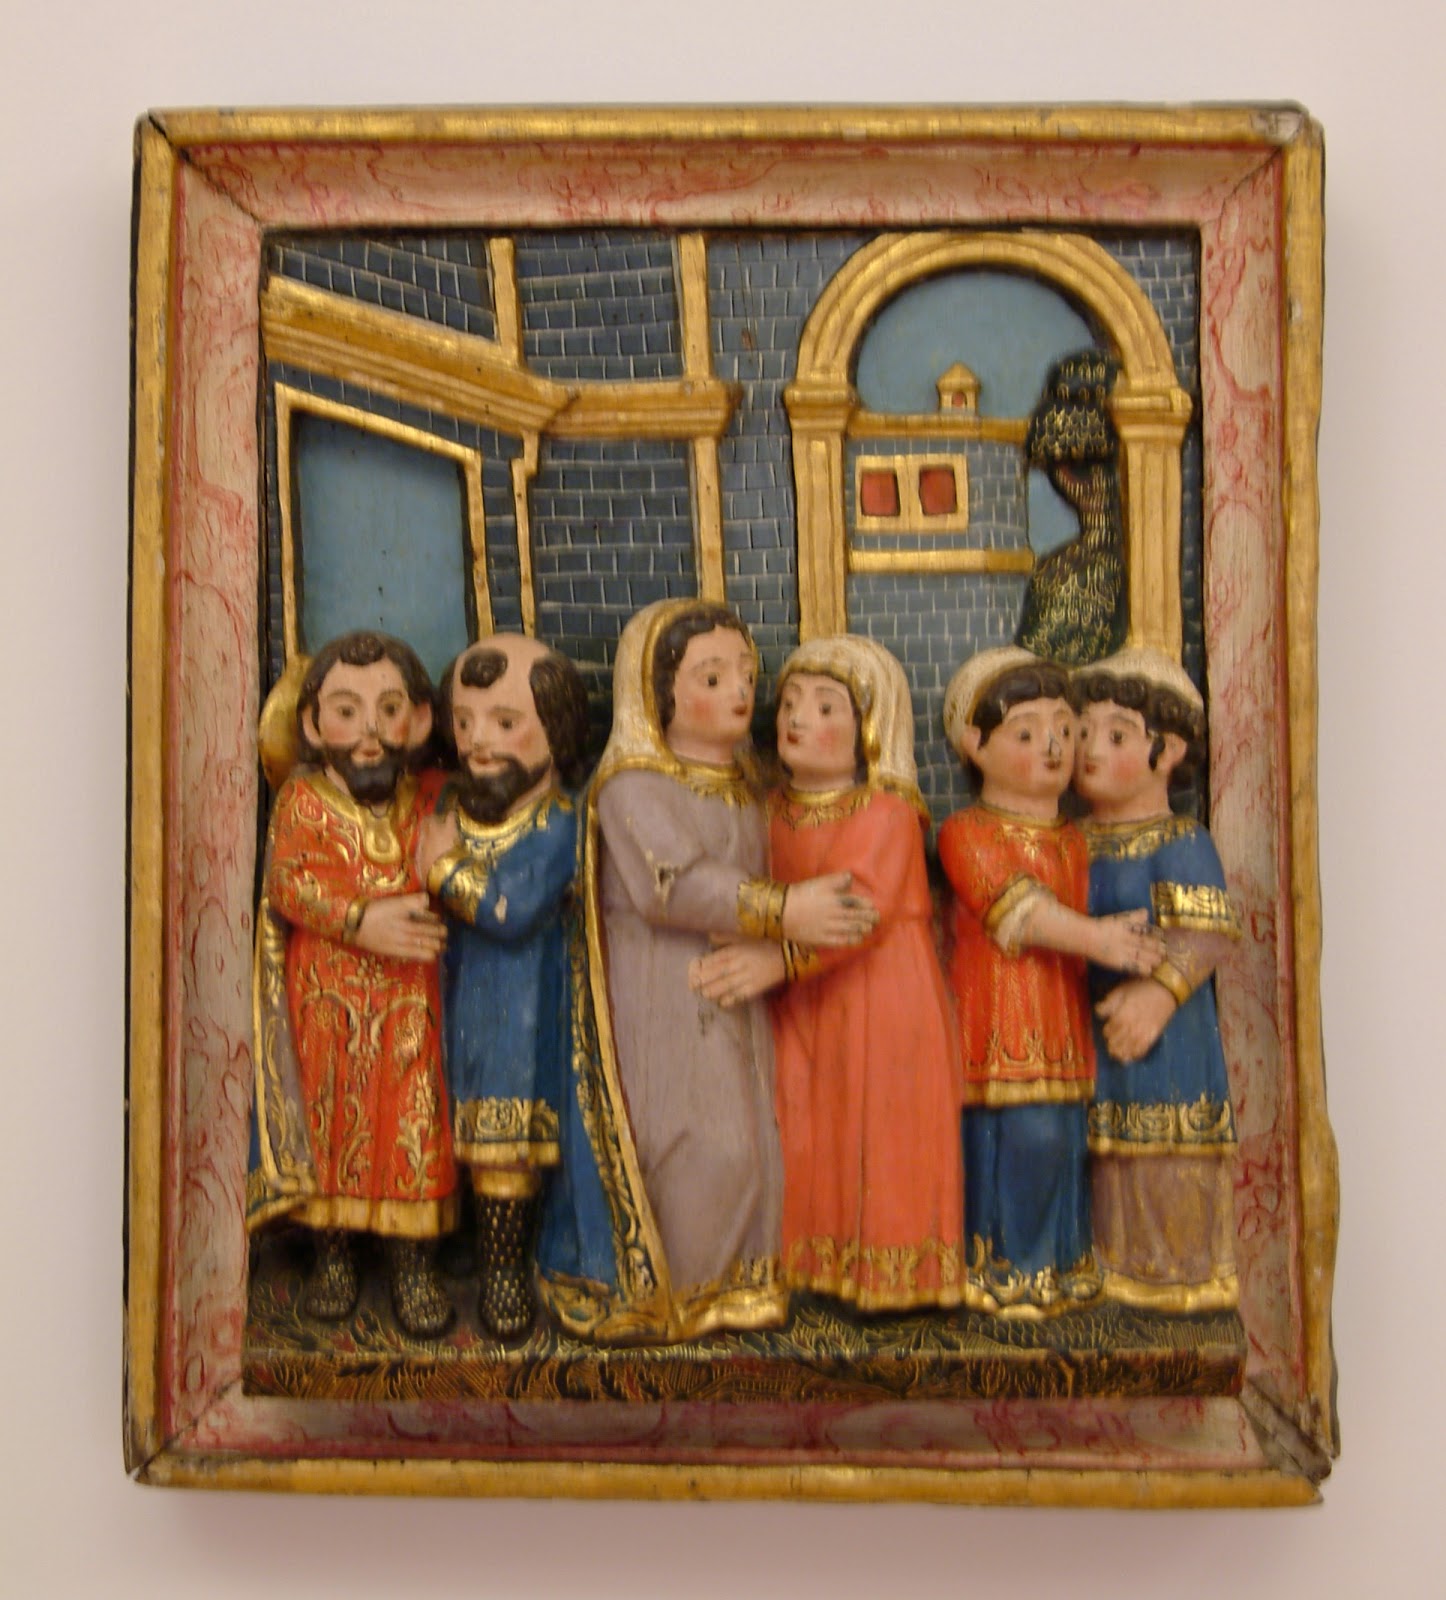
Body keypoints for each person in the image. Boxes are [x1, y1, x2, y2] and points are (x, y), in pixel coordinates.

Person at [571, 599, 878, 1343]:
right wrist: (784, 911)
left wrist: (787, 939)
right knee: (703, 1142)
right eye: (712, 678)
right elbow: (672, 885)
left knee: (760, 1143)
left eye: (746, 674)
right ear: (659, 692)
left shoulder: (751, 782)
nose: (740, 692)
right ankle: (684, 1288)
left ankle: (745, 1285)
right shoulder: (633, 785)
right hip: (666, 995)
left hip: (741, 995)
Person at [693, 636, 967, 1313]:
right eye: (789, 703)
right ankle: (806, 1264)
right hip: (800, 1002)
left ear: (868, 728)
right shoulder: (769, 809)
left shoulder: (886, 814)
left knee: (876, 1135)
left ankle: (888, 1278)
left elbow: (859, 912)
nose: (796, 718)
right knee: (802, 1128)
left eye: (823, 707)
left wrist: (774, 958)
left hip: (878, 999)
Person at [938, 646, 1161, 1316]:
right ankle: (1003, 1265)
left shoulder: (1071, 838)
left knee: (1064, 1139)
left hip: (1061, 1017)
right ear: (975, 744)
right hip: (997, 1020)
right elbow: (1018, 910)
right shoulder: (966, 833)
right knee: (1018, 1139)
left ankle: (1060, 1261)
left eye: (1064, 729)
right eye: (1028, 733)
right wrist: (1099, 938)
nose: (1055, 746)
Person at [248, 630, 457, 1338]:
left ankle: (412, 1264)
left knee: (412, 1121)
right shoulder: (303, 802)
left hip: (410, 999)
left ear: (419, 721)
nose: (369, 732)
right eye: (346, 711)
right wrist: (359, 919)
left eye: (388, 709)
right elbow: (287, 884)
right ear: (312, 724)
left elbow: (452, 866)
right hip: (326, 1001)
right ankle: (332, 1256)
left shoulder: (431, 799)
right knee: (329, 1123)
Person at [416, 635, 591, 1341]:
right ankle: (456, 1250)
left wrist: (444, 871)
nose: (478, 741)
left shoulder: (556, 823)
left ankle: (505, 1273)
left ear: (558, 730)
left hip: (515, 1015)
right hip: (440, 1005)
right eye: (463, 722)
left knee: (505, 1157)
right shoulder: (450, 805)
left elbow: (511, 911)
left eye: (505, 722)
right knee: (441, 1143)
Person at [1073, 647, 1242, 1312]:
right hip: (1091, 1034)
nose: (1090, 750)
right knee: (1107, 1155)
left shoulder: (1179, 840)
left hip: (1168, 1041)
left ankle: (1180, 1275)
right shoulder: (1072, 839)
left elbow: (1209, 932)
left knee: (1163, 1154)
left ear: (1167, 751)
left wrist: (1158, 993)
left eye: (1116, 737)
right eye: (1082, 732)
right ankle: (1114, 1264)